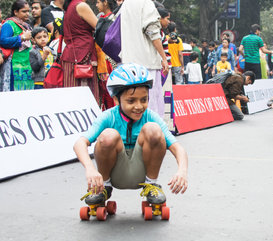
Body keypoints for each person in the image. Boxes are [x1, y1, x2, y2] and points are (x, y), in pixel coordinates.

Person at [74, 63, 188, 208]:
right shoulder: (109, 116)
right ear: (116, 100)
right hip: (113, 172)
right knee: (108, 135)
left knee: (153, 129)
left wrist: (182, 171)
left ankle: (151, 185)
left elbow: (177, 147)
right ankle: (104, 188)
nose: (139, 106)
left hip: (143, 172)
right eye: (131, 101)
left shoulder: (150, 116)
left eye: (144, 99)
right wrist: (90, 168)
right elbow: (79, 143)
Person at [61, 0, 99, 103]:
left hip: (71, 54)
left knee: (71, 95)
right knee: (87, 97)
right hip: (83, 55)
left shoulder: (69, 7)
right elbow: (99, 27)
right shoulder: (80, 6)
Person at [0, 0, 34, 91]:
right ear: (15, 12)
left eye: (28, 11)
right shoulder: (8, 24)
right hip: (14, 65)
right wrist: (21, 37)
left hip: (27, 65)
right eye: (24, 11)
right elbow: (3, 40)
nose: (27, 14)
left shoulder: (26, 25)